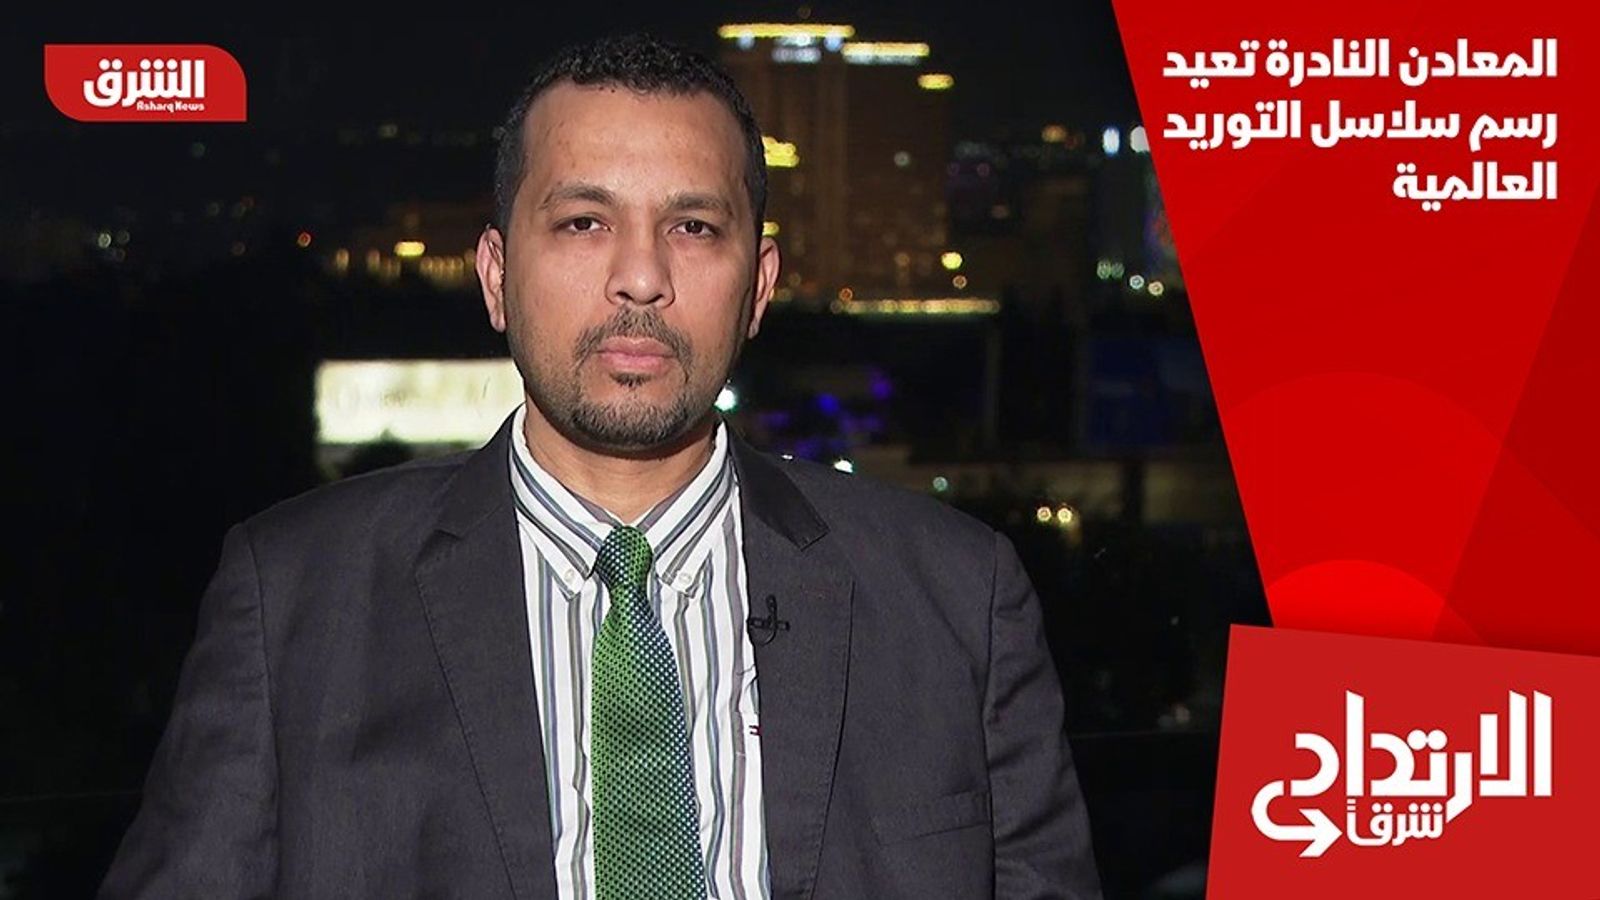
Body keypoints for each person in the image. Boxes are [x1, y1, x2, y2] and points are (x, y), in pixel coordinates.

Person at [99, 32, 1102, 899]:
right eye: (583, 222)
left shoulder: (956, 599)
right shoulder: (295, 603)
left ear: (759, 286)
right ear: (496, 276)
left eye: (693, 227)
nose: (640, 277)